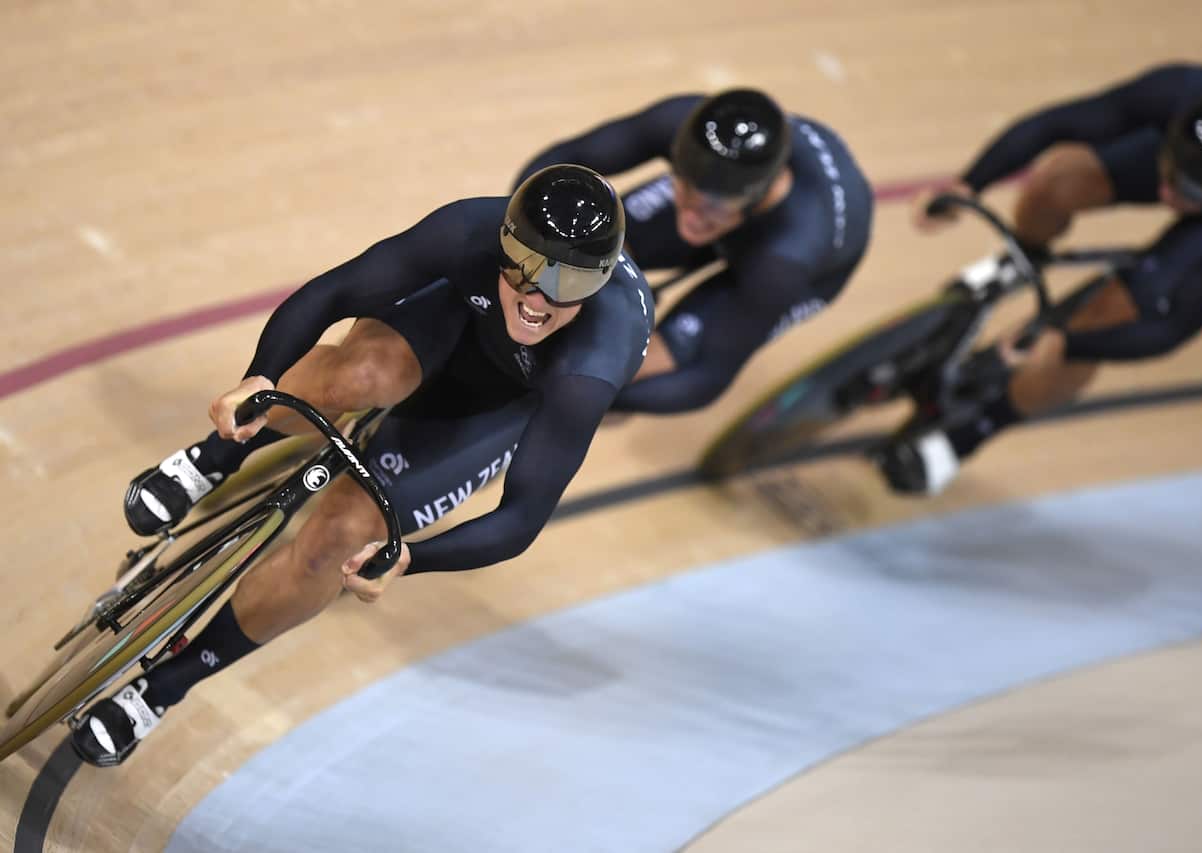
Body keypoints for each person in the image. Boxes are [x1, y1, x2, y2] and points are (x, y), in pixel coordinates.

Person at [72, 165, 653, 766]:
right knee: (364, 376)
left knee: (340, 540)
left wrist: (411, 558)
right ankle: (217, 454)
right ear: (504, 240)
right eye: (526, 266)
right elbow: (336, 292)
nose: (536, 297)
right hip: (440, 325)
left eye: (566, 282)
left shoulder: (592, 363)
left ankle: (164, 686)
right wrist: (259, 377)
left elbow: (523, 517)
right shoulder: (469, 228)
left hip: (491, 406)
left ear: (600, 280)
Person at [881, 62, 1202, 495]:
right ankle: (1021, 259)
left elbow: (1175, 327)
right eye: (1171, 177)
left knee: (1111, 319)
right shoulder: (1180, 89)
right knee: (1056, 180)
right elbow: (1053, 125)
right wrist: (970, 183)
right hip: (1199, 160)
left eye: (1192, 193)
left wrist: (1068, 343)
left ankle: (968, 436)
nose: (1169, 196)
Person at [513, 88, 873, 414]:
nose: (691, 217)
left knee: (665, 355)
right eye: (683, 188)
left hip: (805, 266)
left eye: (712, 207)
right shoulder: (683, 125)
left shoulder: (784, 261)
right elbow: (566, 159)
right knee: (595, 241)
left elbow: (704, 378)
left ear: (761, 192)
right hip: (737, 205)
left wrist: (591, 394)